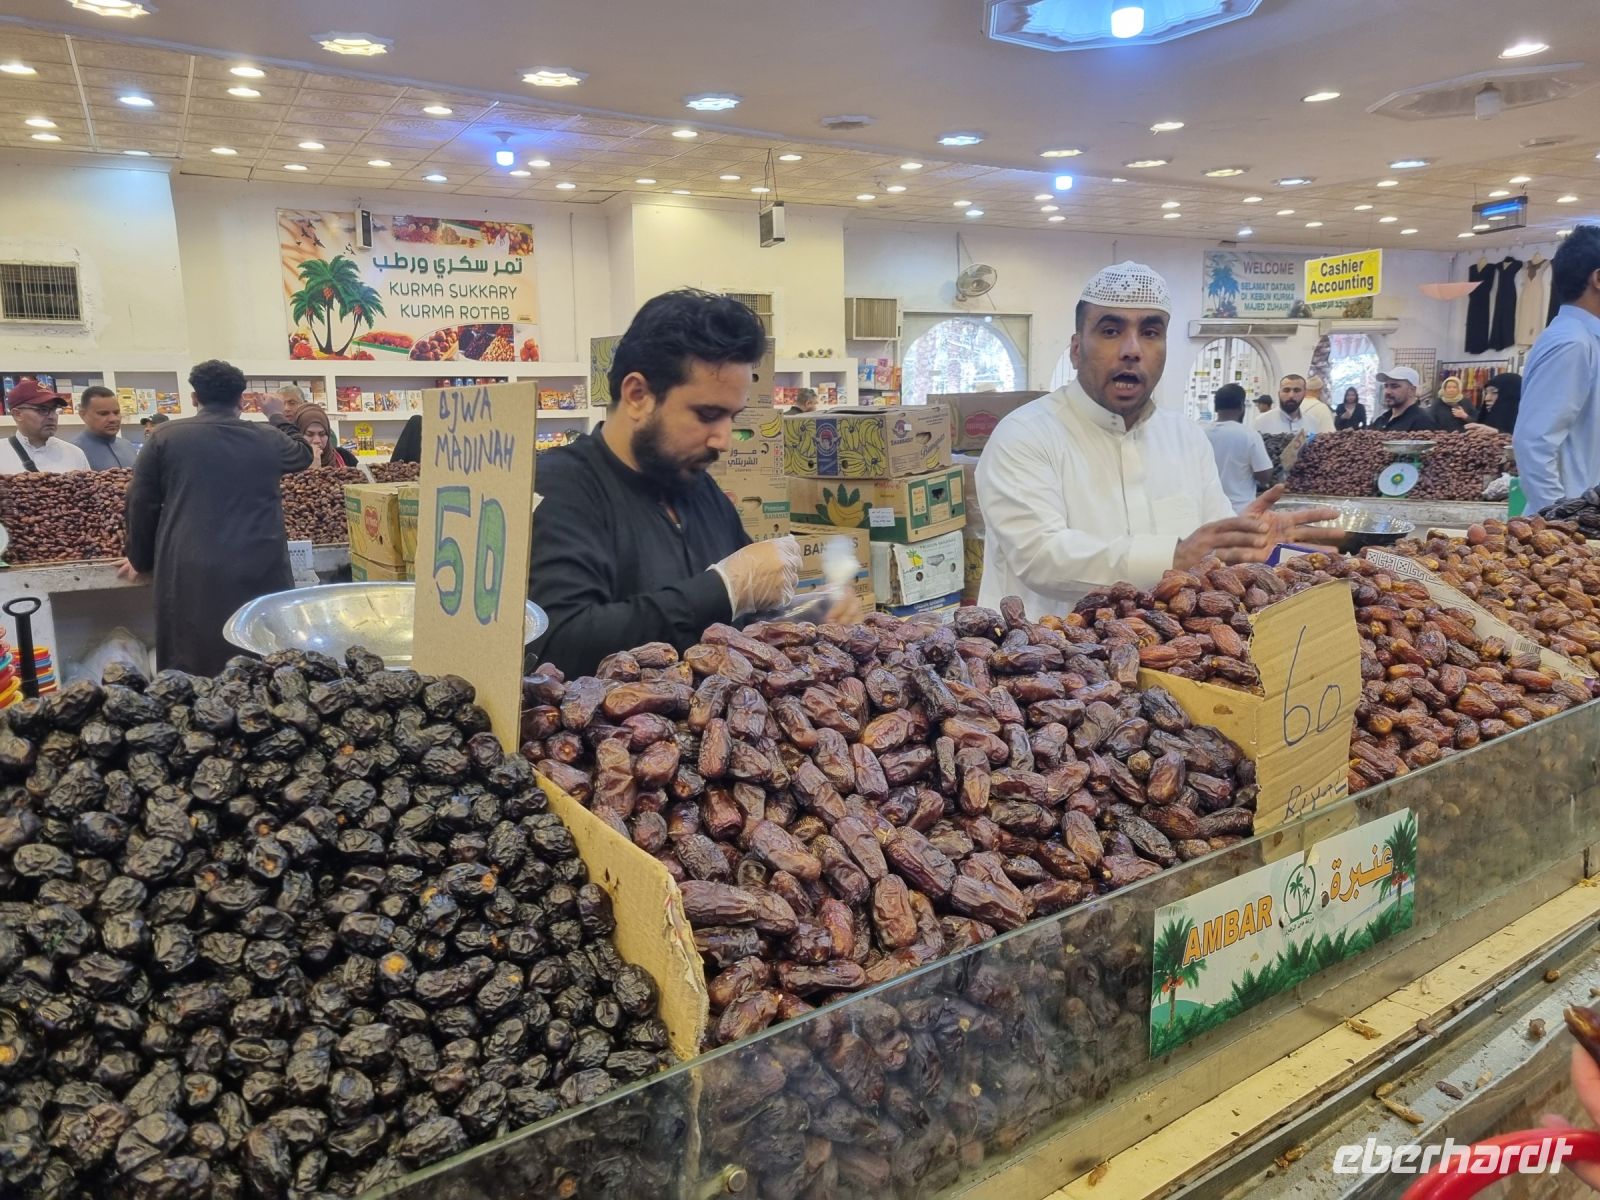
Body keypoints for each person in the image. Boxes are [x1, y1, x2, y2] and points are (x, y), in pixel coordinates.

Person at [975, 262, 1339, 615]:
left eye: (1150, 333)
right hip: (1043, 665)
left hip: (1162, 662)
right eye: (1110, 331)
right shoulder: (1025, 434)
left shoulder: (1186, 436)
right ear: (1075, 348)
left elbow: (1207, 547)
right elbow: (1040, 557)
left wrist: (1241, 539)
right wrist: (1175, 556)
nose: (1132, 349)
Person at [527, 289, 848, 678]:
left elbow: (750, 613)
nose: (724, 440)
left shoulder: (696, 485)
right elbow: (558, 644)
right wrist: (721, 590)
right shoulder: (560, 490)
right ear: (637, 395)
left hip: (720, 729)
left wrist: (812, 612)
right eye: (708, 414)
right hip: (615, 735)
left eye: (732, 417)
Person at [121, 359, 313, 676]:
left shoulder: (164, 437)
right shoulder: (267, 438)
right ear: (241, 399)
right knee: (258, 657)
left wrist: (140, 560)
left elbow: (141, 502)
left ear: (195, 398)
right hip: (258, 565)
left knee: (192, 664)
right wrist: (276, 414)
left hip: (189, 567)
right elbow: (304, 453)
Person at [1515, 225, 1600, 514]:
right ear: (1598, 279)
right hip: (1574, 529)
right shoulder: (1572, 343)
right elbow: (1534, 442)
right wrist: (1560, 521)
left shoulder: (1584, 340)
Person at [1204, 384, 1275, 515]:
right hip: (1240, 512)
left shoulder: (1202, 433)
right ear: (1241, 407)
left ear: (1215, 407)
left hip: (1208, 511)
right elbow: (1264, 477)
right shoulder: (1250, 435)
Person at [0, 380, 92, 474]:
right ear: (17, 414)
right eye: (43, 410)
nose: (52, 416)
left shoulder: (75, 454)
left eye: (54, 409)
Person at [73, 385, 139, 469]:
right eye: (103, 414)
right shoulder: (73, 452)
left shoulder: (127, 446)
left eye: (116, 412)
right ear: (83, 414)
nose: (113, 419)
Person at [1255, 374, 1336, 437]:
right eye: (1286, 390)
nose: (1291, 395)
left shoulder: (1313, 423)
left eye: (1297, 390)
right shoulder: (1261, 422)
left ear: (1304, 394)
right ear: (1279, 393)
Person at [1370, 366, 1440, 433]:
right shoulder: (1381, 420)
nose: (1387, 392)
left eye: (1394, 386)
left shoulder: (1423, 422)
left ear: (1411, 390)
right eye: (1386, 386)